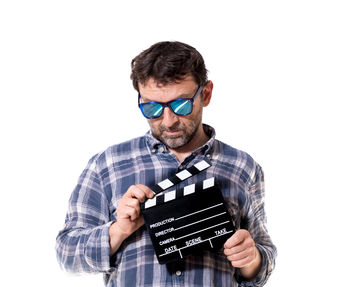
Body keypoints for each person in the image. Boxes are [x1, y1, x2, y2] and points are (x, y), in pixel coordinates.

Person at [56, 41, 276, 287]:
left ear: (205, 94)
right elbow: (67, 255)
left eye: (181, 105)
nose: (168, 121)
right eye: (152, 108)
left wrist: (251, 258)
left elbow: (262, 262)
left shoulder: (242, 166)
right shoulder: (108, 164)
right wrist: (117, 231)